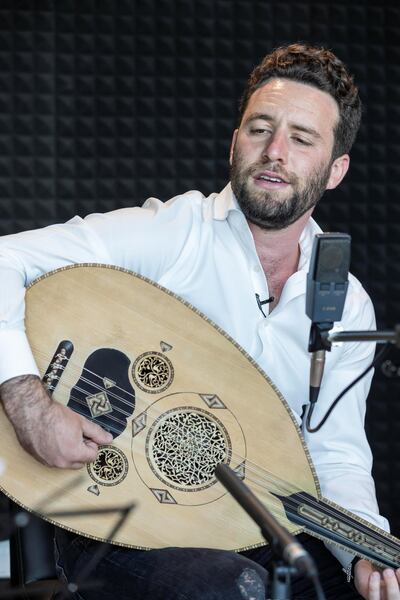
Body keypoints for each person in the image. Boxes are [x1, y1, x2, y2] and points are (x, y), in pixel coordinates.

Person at [0, 42, 399, 600]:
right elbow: (4, 260)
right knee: (233, 588)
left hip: (249, 528)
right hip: (112, 521)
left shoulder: (346, 305)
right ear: (235, 141)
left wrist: (366, 549)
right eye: (260, 129)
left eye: (302, 139)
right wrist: (29, 403)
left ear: (336, 170)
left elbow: (334, 453)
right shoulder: (174, 234)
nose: (275, 151)